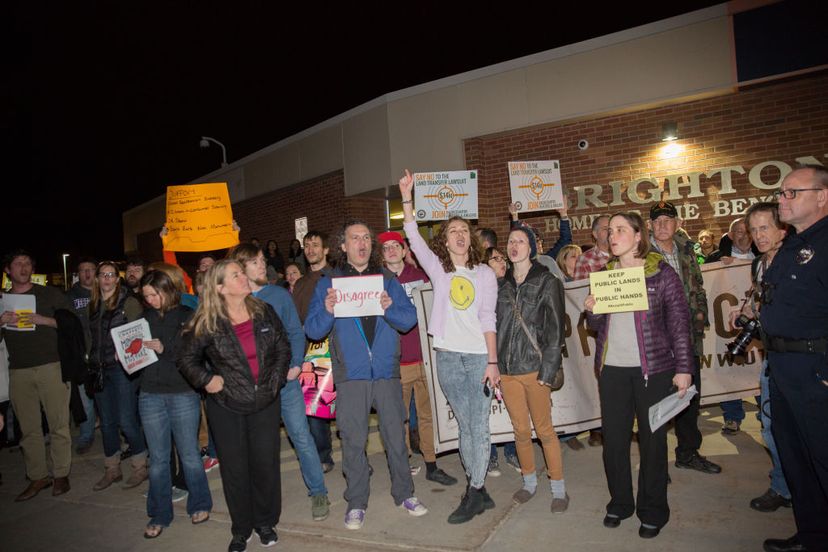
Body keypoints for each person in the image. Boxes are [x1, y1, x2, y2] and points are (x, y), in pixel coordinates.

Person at [305, 219, 427, 530]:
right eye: (354, 238)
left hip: (386, 372)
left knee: (395, 439)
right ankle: (356, 502)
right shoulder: (328, 283)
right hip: (352, 376)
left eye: (365, 238)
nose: (361, 243)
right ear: (343, 246)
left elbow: (408, 320)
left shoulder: (385, 280)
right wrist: (328, 309)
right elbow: (314, 329)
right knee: (353, 442)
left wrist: (389, 307)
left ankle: (405, 493)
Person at [584, 212, 693, 539]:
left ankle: (653, 510)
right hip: (613, 371)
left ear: (637, 235)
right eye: (608, 230)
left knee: (653, 441)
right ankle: (620, 503)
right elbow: (597, 327)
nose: (611, 235)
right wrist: (592, 310)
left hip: (655, 371)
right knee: (613, 442)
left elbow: (679, 323)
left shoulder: (660, 274)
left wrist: (684, 368)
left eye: (619, 230)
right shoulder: (604, 274)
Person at [400, 170, 499, 524]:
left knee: (479, 425)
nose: (459, 235)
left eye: (463, 231)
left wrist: (493, 362)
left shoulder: (485, 275)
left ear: (471, 240)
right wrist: (407, 198)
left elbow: (488, 318)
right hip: (447, 358)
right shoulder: (438, 269)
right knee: (467, 426)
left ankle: (474, 491)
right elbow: (411, 234)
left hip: (477, 359)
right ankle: (481, 489)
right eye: (452, 231)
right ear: (445, 240)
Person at [178, 260, 290, 551]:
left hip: (266, 401)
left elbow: (282, 346)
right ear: (220, 287)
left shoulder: (263, 311)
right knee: (236, 470)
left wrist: (275, 381)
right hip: (227, 406)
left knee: (265, 465)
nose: (243, 277)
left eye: (243, 272)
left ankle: (266, 522)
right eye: (236, 275)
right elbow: (185, 359)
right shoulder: (207, 321)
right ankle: (241, 528)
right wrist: (205, 379)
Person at [227, 243, 331, 522]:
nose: (263, 265)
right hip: (253, 388)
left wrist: (296, 364)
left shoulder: (277, 295)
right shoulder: (231, 300)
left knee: (301, 436)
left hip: (286, 382)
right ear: (240, 267)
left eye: (263, 260)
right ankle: (260, 502)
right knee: (260, 445)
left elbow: (295, 332)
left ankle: (318, 491)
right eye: (256, 261)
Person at [760, 165, 828, 552]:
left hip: (815, 369)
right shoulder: (790, 247)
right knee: (796, 459)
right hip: (782, 368)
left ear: (821, 196)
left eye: (791, 193)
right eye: (781, 194)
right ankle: (815, 536)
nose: (782, 200)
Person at [496, 223, 569, 512]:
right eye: (511, 241)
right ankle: (529, 483)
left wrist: (548, 371)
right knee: (520, 431)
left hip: (535, 368)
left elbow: (555, 331)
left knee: (545, 430)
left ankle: (559, 488)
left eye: (521, 241)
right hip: (507, 371)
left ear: (531, 248)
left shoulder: (547, 281)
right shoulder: (501, 285)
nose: (514, 246)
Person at [725, 202, 791, 513]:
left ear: (782, 229)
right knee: (769, 425)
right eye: (754, 230)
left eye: (765, 228)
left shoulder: (798, 261)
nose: (758, 235)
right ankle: (783, 485)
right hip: (772, 357)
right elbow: (757, 299)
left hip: (803, 357)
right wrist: (744, 312)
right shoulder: (759, 264)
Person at [378, 230, 457, 486]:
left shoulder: (423, 278)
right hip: (395, 362)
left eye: (395, 246)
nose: (391, 250)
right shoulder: (377, 284)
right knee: (397, 417)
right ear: (381, 254)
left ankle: (431, 463)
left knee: (427, 415)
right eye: (386, 247)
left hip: (424, 357)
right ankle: (403, 463)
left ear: (404, 251)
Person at [137, 270, 212, 538]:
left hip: (182, 391)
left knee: (190, 454)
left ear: (167, 290)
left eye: (154, 294)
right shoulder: (143, 318)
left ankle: (200, 503)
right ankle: (159, 513)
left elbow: (193, 353)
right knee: (157, 459)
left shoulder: (185, 315)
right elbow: (133, 351)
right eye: (146, 296)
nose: (150, 300)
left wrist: (163, 349)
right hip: (150, 393)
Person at [649, 201, 721, 475]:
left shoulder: (688, 252)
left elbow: (698, 288)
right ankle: (656, 465)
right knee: (656, 400)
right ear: (650, 226)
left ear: (677, 223)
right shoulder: (642, 255)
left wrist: (701, 317)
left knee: (689, 397)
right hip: (657, 340)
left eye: (668, 219)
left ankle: (688, 453)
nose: (662, 225)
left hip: (689, 337)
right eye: (657, 221)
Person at [1, 250, 74, 501]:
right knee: (29, 428)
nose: (23, 267)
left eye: (27, 263)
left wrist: (45, 320)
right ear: (8, 270)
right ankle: (37, 476)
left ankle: (62, 473)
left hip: (51, 366)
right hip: (18, 370)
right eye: (17, 263)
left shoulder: (49, 294)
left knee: (58, 423)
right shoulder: (2, 300)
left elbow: (71, 325)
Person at [89, 261, 148, 491]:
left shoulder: (129, 302)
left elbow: (138, 332)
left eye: (111, 274)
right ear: (97, 278)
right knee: (107, 422)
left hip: (122, 369)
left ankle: (140, 466)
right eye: (103, 274)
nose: (107, 278)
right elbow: (89, 337)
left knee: (126, 419)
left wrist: (123, 350)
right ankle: (112, 468)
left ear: (117, 278)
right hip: (99, 368)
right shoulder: (93, 305)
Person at [292, 230, 336, 473]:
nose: (310, 249)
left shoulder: (335, 277)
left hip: (338, 351)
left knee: (347, 409)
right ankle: (323, 456)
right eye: (307, 245)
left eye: (316, 245)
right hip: (312, 354)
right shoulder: (300, 283)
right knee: (315, 409)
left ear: (326, 250)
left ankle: (356, 457)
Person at [571, 215, 611, 447]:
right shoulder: (586, 259)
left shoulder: (624, 257)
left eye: (614, 228)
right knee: (596, 376)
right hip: (597, 327)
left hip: (620, 327)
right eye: (605, 229)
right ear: (594, 234)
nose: (610, 233)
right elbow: (577, 294)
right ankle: (598, 427)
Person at [481, 247, 519, 474]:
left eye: (502, 258)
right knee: (488, 407)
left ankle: (512, 451)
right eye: (495, 259)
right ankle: (491, 454)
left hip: (510, 355)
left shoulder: (513, 285)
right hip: (488, 356)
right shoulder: (480, 289)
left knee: (511, 405)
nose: (502, 262)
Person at [66, 256, 98, 454]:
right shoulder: (70, 296)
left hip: (103, 354)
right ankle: (86, 436)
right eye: (83, 270)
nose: (87, 274)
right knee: (85, 399)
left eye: (91, 269)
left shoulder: (105, 292)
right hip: (81, 355)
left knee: (105, 397)